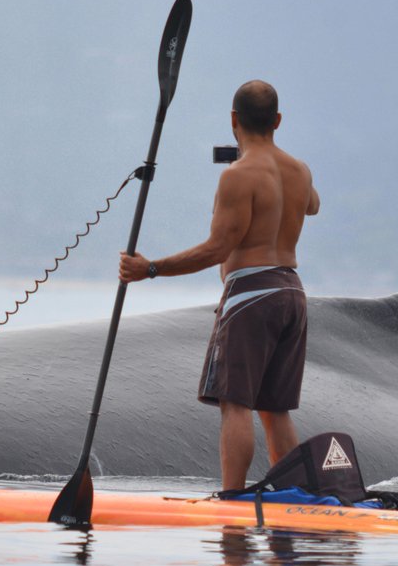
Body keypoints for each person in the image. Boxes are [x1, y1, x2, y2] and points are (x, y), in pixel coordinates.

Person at [119, 80, 321, 491]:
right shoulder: (300, 170)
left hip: (251, 294)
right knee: (276, 409)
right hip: (291, 291)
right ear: (278, 121)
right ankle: (293, 495)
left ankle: (231, 500)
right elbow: (312, 204)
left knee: (236, 404)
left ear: (233, 120)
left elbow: (218, 248)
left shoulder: (238, 176)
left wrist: (150, 269)